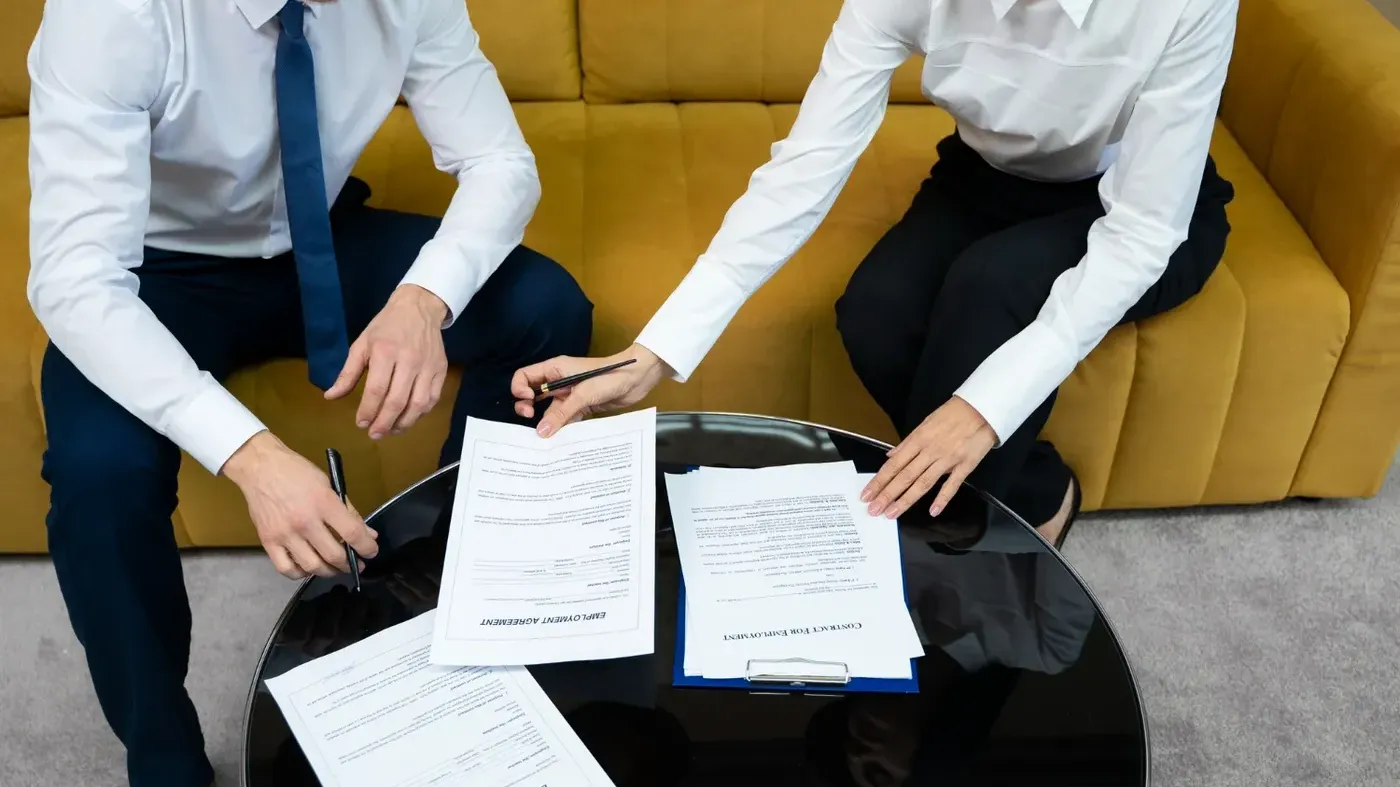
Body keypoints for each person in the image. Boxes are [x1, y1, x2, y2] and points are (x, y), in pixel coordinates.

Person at [27, 0, 591, 783]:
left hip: (319, 237)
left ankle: (459, 586)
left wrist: (422, 299)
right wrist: (252, 456)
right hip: (157, 270)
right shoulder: (113, 14)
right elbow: (74, 277)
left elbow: (502, 163)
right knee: (97, 479)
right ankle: (163, 755)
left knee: (546, 310)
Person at [511, 0, 1238, 545]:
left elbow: (1144, 232)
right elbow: (806, 167)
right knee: (874, 313)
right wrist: (653, 354)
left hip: (1147, 210)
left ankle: (943, 571)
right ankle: (1041, 489)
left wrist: (983, 410)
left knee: (989, 294)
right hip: (986, 180)